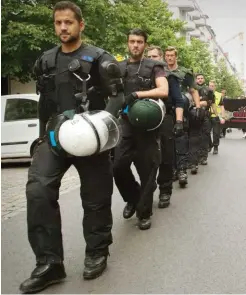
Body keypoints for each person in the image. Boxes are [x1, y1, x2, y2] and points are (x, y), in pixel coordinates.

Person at [21, 1, 126, 292]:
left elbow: (118, 97)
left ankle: (97, 251)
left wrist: (99, 126)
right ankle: (49, 264)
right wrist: (43, 134)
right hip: (56, 136)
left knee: (95, 198)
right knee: (38, 190)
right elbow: (45, 100)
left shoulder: (99, 59)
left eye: (69, 22)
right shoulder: (46, 60)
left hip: (91, 139)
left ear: (81, 25)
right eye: (58, 23)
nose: (63, 28)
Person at [113, 29, 168, 230]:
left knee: (148, 170)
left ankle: (144, 213)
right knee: (117, 166)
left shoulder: (155, 67)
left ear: (145, 44)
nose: (135, 45)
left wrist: (138, 94)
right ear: (127, 43)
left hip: (148, 123)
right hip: (125, 123)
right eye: (132, 41)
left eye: (139, 42)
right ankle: (133, 198)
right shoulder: (118, 68)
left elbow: (163, 90)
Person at [163, 46, 201, 188]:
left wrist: (197, 108)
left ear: (176, 56)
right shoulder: (161, 71)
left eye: (172, 55)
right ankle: (173, 169)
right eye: (167, 55)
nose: (169, 58)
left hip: (182, 109)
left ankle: (182, 170)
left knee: (180, 139)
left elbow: (193, 91)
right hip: (165, 109)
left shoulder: (184, 73)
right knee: (168, 142)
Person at [209, 80, 225, 154]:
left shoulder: (219, 95)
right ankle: (209, 144)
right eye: (210, 86)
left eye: (213, 86)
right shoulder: (206, 93)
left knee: (216, 133)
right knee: (206, 132)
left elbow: (222, 106)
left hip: (216, 116)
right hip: (207, 115)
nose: (211, 87)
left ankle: (215, 147)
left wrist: (223, 116)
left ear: (215, 87)